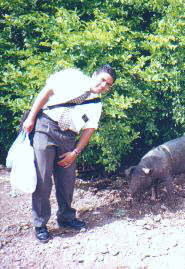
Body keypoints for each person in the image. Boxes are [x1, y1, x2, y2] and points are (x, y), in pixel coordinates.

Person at [22, 64, 117, 242]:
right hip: (46, 127)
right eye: (102, 79)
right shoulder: (72, 76)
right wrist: (31, 117)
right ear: (94, 74)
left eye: (108, 84)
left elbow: (89, 130)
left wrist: (75, 151)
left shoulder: (96, 104)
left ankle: (66, 217)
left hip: (68, 137)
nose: (103, 85)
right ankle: (40, 224)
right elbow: (46, 92)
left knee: (67, 180)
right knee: (43, 179)